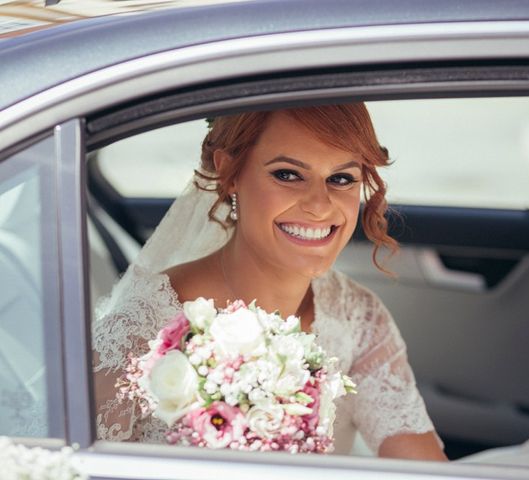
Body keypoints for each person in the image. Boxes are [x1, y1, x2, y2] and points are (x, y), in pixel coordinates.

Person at [92, 103, 447, 460]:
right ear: (229, 172)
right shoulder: (145, 325)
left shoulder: (357, 317)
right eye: (288, 174)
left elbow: (423, 466)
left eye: (341, 178)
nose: (320, 206)